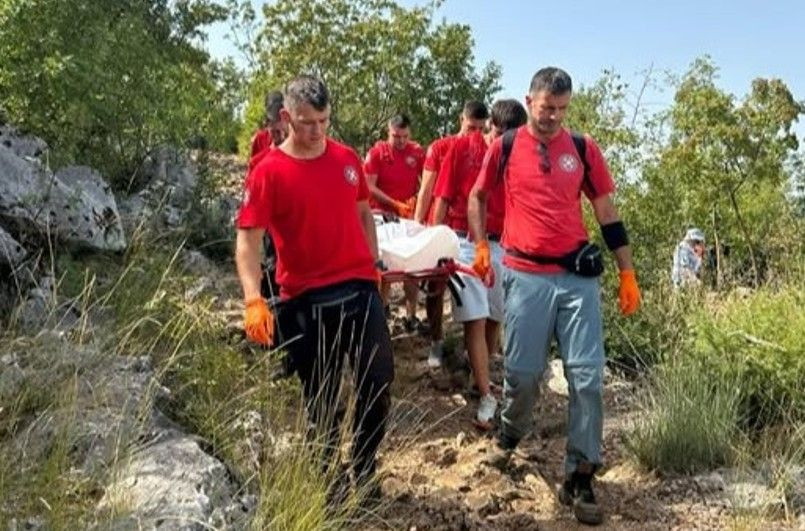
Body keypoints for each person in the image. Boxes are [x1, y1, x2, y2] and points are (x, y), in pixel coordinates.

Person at [469, 67, 641, 525]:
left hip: (576, 277)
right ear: (530, 101)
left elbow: (606, 209)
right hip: (524, 275)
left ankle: (580, 476)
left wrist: (627, 272)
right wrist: (483, 243)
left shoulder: (582, 149)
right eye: (547, 108)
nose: (553, 118)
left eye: (562, 110)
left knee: (587, 378)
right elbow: (477, 196)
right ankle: (509, 434)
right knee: (523, 374)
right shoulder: (505, 146)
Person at [235, 75, 394, 496]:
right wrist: (253, 299)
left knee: (378, 381)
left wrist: (375, 264)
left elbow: (363, 213)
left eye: (324, 120)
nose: (317, 131)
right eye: (307, 122)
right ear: (286, 117)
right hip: (305, 300)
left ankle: (362, 465)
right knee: (322, 402)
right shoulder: (268, 172)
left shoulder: (346, 158)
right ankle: (325, 480)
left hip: (359, 288)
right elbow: (248, 242)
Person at [432, 99, 527, 429]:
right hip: (465, 242)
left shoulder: (520, 157)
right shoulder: (461, 149)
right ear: (489, 127)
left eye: (508, 138)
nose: (500, 142)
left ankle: (478, 377)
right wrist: (432, 241)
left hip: (505, 244)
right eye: (496, 134)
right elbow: (441, 197)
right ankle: (487, 394)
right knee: (475, 315)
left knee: (494, 316)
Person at [414, 100, 489, 369]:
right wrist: (420, 227)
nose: (475, 134)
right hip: (443, 225)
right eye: (471, 127)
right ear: (461, 120)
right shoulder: (441, 147)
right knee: (436, 290)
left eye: (481, 128)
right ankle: (436, 339)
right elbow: (426, 190)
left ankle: (477, 355)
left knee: (477, 295)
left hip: (471, 232)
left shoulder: (486, 150)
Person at [364, 114, 426, 331]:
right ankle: (383, 311)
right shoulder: (377, 153)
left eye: (404, 136)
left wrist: (417, 199)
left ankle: (411, 315)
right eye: (395, 136)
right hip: (381, 215)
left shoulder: (416, 152)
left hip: (406, 217)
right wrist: (394, 203)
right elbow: (369, 186)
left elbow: (427, 180)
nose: (400, 141)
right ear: (387, 132)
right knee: (385, 267)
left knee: (412, 266)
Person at [246, 90, 289, 300]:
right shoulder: (260, 143)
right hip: (269, 216)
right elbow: (253, 180)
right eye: (274, 131)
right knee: (273, 261)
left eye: (282, 130)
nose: (278, 136)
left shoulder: (300, 137)